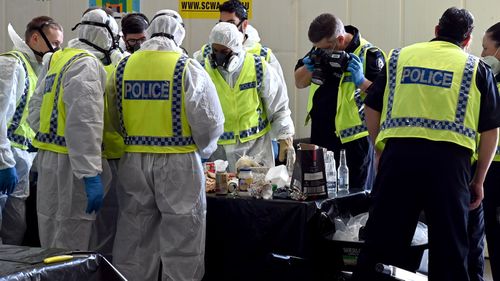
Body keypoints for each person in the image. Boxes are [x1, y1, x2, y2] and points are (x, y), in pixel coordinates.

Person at [352, 7, 500, 280]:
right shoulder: (476, 68)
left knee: (382, 243)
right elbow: (491, 130)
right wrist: (479, 180)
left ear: (436, 30)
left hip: (399, 159)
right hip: (450, 166)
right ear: (467, 40)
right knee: (450, 250)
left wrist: (379, 148)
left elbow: (371, 106)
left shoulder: (399, 57)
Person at [107, 9, 225, 281]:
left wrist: (133, 137)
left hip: (133, 160)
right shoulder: (186, 67)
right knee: (183, 239)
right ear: (178, 33)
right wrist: (203, 150)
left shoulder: (124, 67)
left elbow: (113, 114)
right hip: (179, 162)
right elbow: (209, 121)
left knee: (135, 238)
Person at [27, 8, 117, 251]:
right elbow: (84, 122)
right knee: (74, 239)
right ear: (106, 37)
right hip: (74, 167)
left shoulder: (58, 58)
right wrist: (89, 173)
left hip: (49, 159)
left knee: (51, 234)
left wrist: (51, 138)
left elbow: (34, 111)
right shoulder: (87, 65)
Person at [294, 13, 385, 191]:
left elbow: (382, 97)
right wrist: (308, 67)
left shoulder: (370, 55)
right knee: (320, 195)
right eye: (317, 48)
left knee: (355, 198)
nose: (322, 52)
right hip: (321, 137)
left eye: (326, 49)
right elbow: (299, 82)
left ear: (341, 39)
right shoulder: (320, 49)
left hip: (353, 143)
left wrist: (362, 81)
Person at [0, 16, 63, 245]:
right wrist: (3, 162)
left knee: (15, 230)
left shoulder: (37, 70)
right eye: (55, 44)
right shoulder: (11, 64)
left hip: (21, 161)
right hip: (7, 158)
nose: (57, 50)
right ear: (35, 38)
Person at [203, 22, 294, 172]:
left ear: (237, 49)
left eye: (224, 51)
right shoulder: (204, 69)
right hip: (219, 153)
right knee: (221, 192)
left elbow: (279, 107)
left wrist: (285, 136)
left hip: (256, 150)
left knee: (259, 191)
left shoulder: (258, 67)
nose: (218, 56)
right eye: (215, 50)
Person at [468, 21, 500, 281]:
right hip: (487, 165)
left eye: (486, 49)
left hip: (494, 168)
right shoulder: (490, 80)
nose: (482, 56)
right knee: (482, 231)